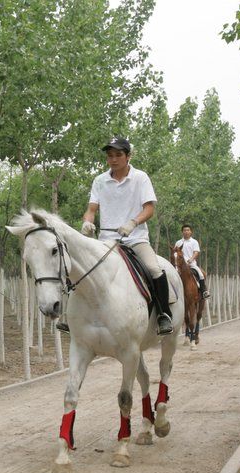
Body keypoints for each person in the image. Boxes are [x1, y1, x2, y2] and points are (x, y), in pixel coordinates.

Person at [76, 137, 173, 335]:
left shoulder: (140, 178)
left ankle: (164, 314)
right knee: (82, 270)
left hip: (135, 238)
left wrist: (133, 222)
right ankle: (73, 318)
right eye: (110, 156)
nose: (113, 159)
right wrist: (87, 221)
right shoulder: (100, 181)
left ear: (128, 156)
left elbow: (149, 208)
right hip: (107, 241)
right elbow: (91, 209)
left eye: (118, 155)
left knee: (155, 269)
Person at [174, 224, 210, 299]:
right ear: (182, 232)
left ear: (191, 232)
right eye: (184, 230)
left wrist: (191, 259)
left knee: (201, 274)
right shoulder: (178, 243)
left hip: (191, 264)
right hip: (180, 266)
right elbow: (175, 253)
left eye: (188, 230)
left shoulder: (194, 242)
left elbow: (196, 252)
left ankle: (204, 291)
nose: (186, 232)